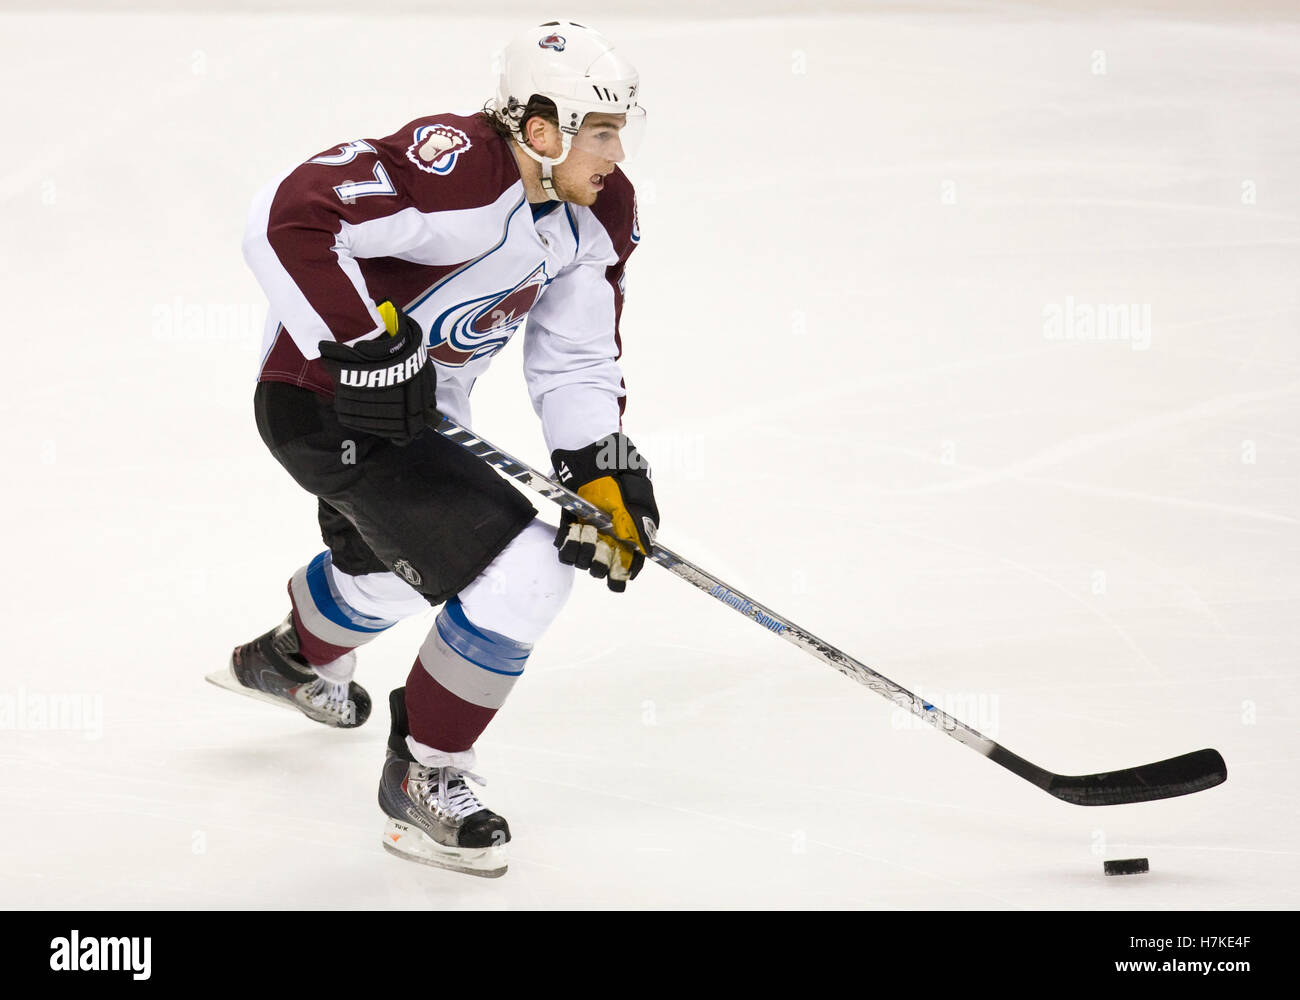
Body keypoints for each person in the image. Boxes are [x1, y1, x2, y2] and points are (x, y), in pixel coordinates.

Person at [213, 20, 659, 879]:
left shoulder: (600, 208)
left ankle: (293, 657)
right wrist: (360, 343)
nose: (616, 152)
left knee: (397, 570)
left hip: (424, 416)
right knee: (526, 572)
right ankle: (426, 771)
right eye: (601, 131)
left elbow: (574, 354)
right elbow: (287, 217)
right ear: (540, 128)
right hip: (324, 402)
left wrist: (596, 463)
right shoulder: (456, 165)